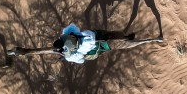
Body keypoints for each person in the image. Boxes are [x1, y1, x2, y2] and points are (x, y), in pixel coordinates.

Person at [11, 24, 161, 64]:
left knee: (121, 42)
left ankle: (148, 39)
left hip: (99, 42)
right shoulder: (68, 33)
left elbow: (81, 59)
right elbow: (74, 28)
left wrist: (68, 56)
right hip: (98, 38)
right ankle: (146, 39)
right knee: (119, 38)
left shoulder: (70, 53)